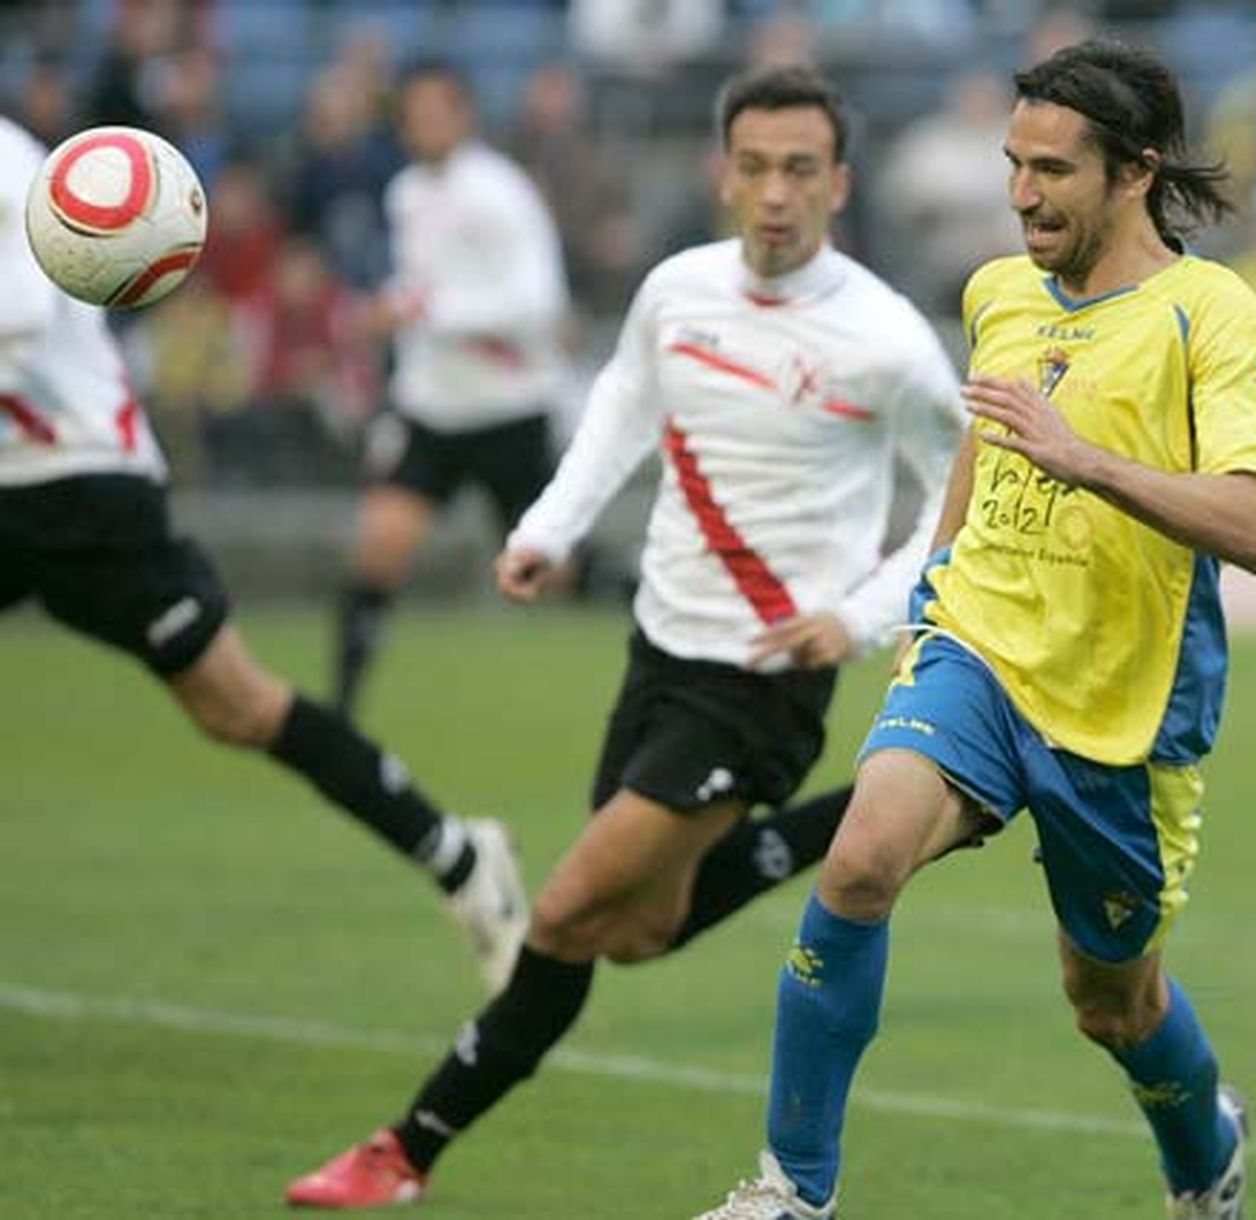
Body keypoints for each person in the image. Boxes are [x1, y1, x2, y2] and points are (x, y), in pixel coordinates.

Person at [284, 64, 965, 1209]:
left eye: (800, 169)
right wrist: (548, 527)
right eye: (754, 167)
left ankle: (403, 1150)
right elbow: (618, 410)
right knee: (636, 931)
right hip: (657, 651)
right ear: (723, 173)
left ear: (839, 183)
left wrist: (857, 619)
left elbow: (960, 495)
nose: (775, 193)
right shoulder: (679, 291)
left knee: (557, 914)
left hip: (761, 682)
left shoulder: (884, 338)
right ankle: (876, 813)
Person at [695, 39, 1256, 1220]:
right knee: (861, 854)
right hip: (980, 647)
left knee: (1110, 1001)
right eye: (1012, 164)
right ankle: (792, 1192)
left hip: (1125, 712)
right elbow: (984, 450)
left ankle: (1204, 1141)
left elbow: (1253, 524)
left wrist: (1084, 458)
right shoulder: (999, 293)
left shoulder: (1211, 316)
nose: (1022, 193)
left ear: (1132, 172)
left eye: (1051, 171)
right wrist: (933, 589)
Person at [0, 115, 527, 990]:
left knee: (236, 706)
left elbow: (20, 313)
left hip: (76, 480)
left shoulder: (11, 162)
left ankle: (461, 858)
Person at [331, 59, 572, 717]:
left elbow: (537, 302)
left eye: (439, 110)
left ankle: (633, 594)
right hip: (431, 408)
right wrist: (385, 312)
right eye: (415, 112)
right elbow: (421, 286)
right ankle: (340, 710)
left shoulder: (501, 193)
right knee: (379, 544)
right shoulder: (406, 192)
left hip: (507, 408)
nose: (426, 124)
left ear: (464, 115)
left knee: (553, 576)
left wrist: (423, 313)